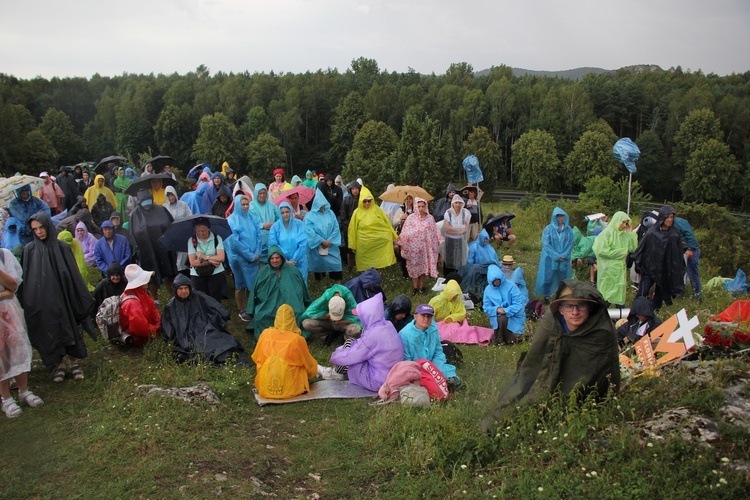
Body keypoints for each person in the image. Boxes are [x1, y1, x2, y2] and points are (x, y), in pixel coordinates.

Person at [483, 280, 620, 430]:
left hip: (582, 400)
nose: (575, 312)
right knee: (510, 414)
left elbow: (601, 375)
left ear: (590, 307)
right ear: (560, 309)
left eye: (581, 305)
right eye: (568, 306)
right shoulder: (551, 323)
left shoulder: (601, 333)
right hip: (544, 383)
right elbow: (533, 361)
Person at [20, 212, 94, 382]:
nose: (39, 232)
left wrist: (77, 295)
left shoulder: (61, 247)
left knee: (71, 328)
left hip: (64, 297)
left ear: (48, 225)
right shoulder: (30, 251)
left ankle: (74, 363)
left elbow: (73, 274)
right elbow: (28, 278)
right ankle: (57, 365)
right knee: (50, 331)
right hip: (44, 301)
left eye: (41, 227)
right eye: (35, 229)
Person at [0, 246, 44, 418]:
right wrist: (4, 294)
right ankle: (6, 398)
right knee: (1, 354)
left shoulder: (4, 255)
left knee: (18, 347)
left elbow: (13, 286)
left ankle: (23, 390)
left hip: (10, 312)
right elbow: (7, 291)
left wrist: (6, 291)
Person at [161, 274, 245, 364]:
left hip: (204, 327)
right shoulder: (171, 306)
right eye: (180, 289)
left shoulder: (198, 297)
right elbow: (167, 326)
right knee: (192, 347)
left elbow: (216, 307)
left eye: (186, 288)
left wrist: (219, 320)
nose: (184, 291)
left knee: (217, 340)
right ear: (175, 290)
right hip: (185, 335)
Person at [329, 293, 404, 391]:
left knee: (351, 357)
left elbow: (353, 355)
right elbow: (363, 345)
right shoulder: (386, 325)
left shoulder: (373, 334)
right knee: (351, 342)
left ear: (368, 315)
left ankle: (336, 373)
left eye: (361, 315)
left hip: (379, 381)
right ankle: (338, 371)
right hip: (393, 375)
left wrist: (334, 356)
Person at [251, 304, 318, 399]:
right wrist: (312, 374)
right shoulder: (297, 339)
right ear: (292, 319)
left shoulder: (266, 334)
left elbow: (256, 358)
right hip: (292, 388)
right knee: (302, 365)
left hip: (265, 386)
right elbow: (309, 365)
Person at [246, 245, 311, 340]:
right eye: (272, 258)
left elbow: (303, 289)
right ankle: (268, 337)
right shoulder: (263, 272)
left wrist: (307, 302)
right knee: (262, 315)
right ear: (268, 259)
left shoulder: (293, 271)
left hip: (291, 302)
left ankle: (293, 337)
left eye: (277, 258)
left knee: (297, 312)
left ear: (282, 258)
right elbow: (254, 292)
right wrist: (251, 309)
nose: (275, 260)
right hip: (269, 304)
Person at [632, 205, 685, 311]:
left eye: (672, 217)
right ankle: (636, 311)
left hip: (666, 270)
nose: (670, 220)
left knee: (660, 294)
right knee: (643, 291)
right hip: (650, 269)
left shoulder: (675, 233)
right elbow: (642, 248)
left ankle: (654, 313)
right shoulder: (652, 232)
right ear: (662, 218)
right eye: (668, 217)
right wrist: (639, 265)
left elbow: (678, 254)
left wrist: (677, 270)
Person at [129, 190, 176, 299]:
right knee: (150, 276)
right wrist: (136, 250)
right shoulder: (135, 215)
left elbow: (170, 224)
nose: (147, 204)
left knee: (170, 273)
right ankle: (153, 299)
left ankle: (174, 295)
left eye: (148, 201)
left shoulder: (161, 209)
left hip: (164, 247)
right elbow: (132, 234)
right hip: (146, 250)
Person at [398, 304, 459, 385]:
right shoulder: (404, 334)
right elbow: (406, 359)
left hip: (433, 364)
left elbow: (438, 351)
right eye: (423, 316)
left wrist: (436, 368)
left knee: (448, 373)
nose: (426, 319)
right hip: (415, 367)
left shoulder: (433, 329)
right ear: (415, 316)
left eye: (429, 316)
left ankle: (448, 381)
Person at [225, 194, 262, 321]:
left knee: (253, 282)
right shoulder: (232, 220)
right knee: (240, 283)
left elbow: (259, 235)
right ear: (237, 205)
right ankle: (242, 308)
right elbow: (235, 243)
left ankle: (253, 306)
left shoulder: (252, 218)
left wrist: (256, 252)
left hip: (254, 256)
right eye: (243, 204)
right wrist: (249, 255)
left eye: (247, 204)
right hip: (239, 258)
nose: (245, 207)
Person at [398, 197, 443, 294]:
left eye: (423, 206)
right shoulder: (411, 218)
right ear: (415, 207)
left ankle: (422, 286)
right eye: (419, 206)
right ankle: (415, 287)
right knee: (413, 267)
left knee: (423, 267)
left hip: (425, 249)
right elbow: (405, 232)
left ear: (426, 206)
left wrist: (439, 240)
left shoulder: (430, 218)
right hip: (413, 249)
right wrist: (402, 241)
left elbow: (435, 231)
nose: (421, 208)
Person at [592, 211, 638, 307]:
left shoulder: (624, 235)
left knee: (619, 298)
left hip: (619, 271)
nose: (624, 225)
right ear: (617, 221)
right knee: (605, 297)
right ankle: (601, 318)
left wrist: (631, 234)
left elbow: (632, 248)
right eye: (623, 222)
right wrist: (621, 252)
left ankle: (620, 320)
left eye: (626, 223)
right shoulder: (606, 234)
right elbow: (601, 251)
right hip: (608, 271)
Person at [348, 186, 398, 272]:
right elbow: (352, 229)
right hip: (364, 243)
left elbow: (387, 224)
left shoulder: (377, 210)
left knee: (378, 263)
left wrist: (394, 237)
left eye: (369, 201)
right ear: (361, 201)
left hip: (378, 242)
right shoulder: (357, 212)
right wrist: (352, 245)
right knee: (365, 264)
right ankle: (367, 281)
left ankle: (376, 278)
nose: (367, 203)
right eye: (365, 201)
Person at [534, 207, 574, 303]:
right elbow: (546, 244)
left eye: (562, 216)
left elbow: (570, 244)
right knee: (548, 277)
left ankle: (562, 295)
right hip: (550, 258)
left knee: (563, 278)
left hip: (564, 258)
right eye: (559, 216)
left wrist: (563, 255)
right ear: (554, 217)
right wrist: (556, 256)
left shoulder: (568, 230)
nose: (561, 218)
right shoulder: (548, 229)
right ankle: (546, 296)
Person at [305, 189, 343, 282]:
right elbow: (309, 231)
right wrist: (321, 241)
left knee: (336, 264)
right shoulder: (310, 216)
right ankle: (319, 283)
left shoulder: (330, 213)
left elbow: (335, 227)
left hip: (331, 245)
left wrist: (329, 240)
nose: (321, 205)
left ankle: (338, 284)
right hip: (318, 246)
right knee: (318, 264)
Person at [483, 264, 527, 345]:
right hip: (497, 318)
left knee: (515, 337)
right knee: (502, 319)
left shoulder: (511, 286)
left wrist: (506, 310)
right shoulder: (488, 290)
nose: (496, 282)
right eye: (494, 281)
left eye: (498, 280)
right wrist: (496, 309)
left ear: (501, 277)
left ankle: (508, 338)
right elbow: (486, 307)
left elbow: (518, 304)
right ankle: (500, 339)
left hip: (514, 316)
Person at [119, 264, 161, 347]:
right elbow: (141, 328)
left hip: (149, 330)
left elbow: (153, 310)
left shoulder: (141, 293)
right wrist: (158, 329)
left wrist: (159, 323)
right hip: (139, 338)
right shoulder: (132, 303)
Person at [186, 217, 226, 303]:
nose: (201, 233)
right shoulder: (191, 240)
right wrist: (212, 261)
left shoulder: (217, 238)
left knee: (215, 297)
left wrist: (204, 257)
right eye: (198, 231)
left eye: (203, 231)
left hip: (216, 272)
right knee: (201, 298)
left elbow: (221, 258)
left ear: (209, 228)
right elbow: (192, 262)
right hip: (197, 274)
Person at [270, 201, 308, 283]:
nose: (285, 214)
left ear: (291, 212)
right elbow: (273, 245)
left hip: (299, 261)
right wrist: (284, 260)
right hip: (282, 262)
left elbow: (303, 244)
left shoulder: (299, 224)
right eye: (282, 212)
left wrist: (294, 259)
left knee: (300, 284)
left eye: (287, 212)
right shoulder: (275, 227)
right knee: (286, 286)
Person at [249, 183, 281, 262]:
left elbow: (279, 218)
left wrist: (274, 225)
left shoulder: (272, 205)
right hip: (258, 239)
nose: (262, 195)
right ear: (256, 194)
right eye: (260, 193)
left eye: (264, 193)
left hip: (273, 236)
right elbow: (249, 222)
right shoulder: (251, 206)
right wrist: (262, 225)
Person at [442, 194, 472, 275]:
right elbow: (447, 228)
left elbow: (465, 228)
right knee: (449, 257)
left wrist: (454, 229)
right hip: (450, 239)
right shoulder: (448, 213)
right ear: (453, 204)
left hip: (460, 239)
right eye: (456, 203)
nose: (458, 205)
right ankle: (448, 275)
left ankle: (458, 274)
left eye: (459, 203)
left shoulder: (465, 213)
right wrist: (458, 230)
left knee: (459, 257)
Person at [673, 215, 702, 300]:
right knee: (679, 274)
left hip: (691, 251)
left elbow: (690, 236)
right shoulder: (668, 225)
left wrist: (690, 249)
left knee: (692, 274)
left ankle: (697, 296)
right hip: (681, 251)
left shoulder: (680, 222)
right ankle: (679, 294)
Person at [339, 180, 361, 269]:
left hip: (360, 227)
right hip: (348, 227)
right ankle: (350, 266)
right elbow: (343, 214)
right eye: (353, 189)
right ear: (350, 190)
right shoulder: (346, 200)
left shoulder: (362, 200)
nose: (355, 191)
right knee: (349, 247)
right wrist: (349, 225)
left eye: (356, 189)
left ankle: (359, 265)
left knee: (360, 247)